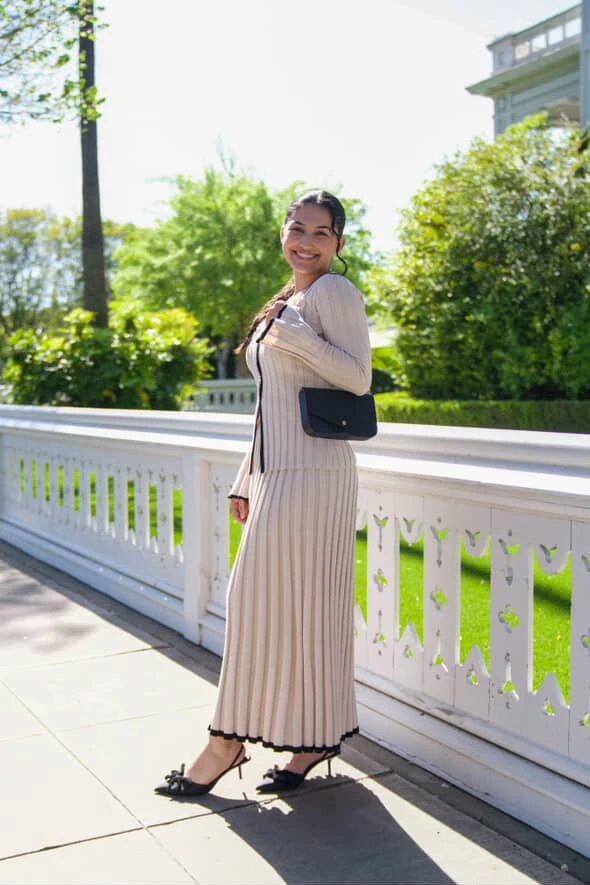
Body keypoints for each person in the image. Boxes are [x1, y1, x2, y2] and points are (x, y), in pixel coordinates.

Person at [156, 190, 372, 797]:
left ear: (338, 243)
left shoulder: (333, 293)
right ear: (283, 232)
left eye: (321, 233)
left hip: (316, 475)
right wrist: (246, 476)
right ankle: (312, 739)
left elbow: (358, 378)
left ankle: (226, 744)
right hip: (280, 474)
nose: (306, 242)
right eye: (298, 228)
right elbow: (269, 405)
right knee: (285, 609)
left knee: (272, 606)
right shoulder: (287, 299)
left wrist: (296, 335)